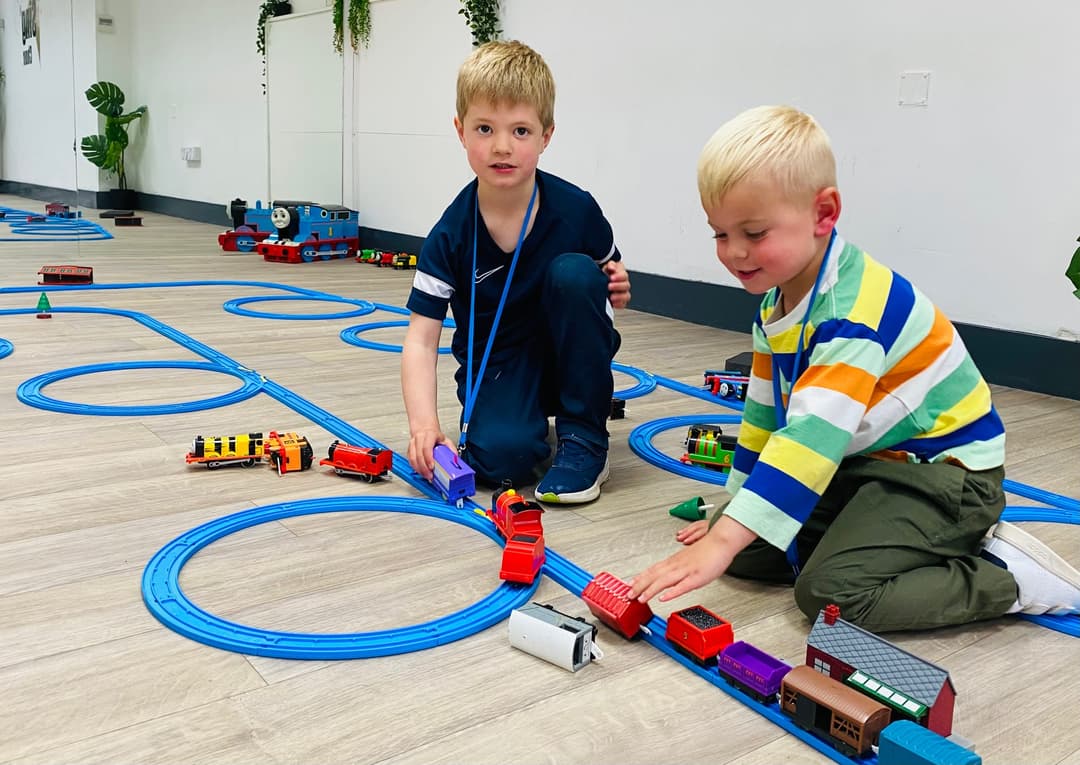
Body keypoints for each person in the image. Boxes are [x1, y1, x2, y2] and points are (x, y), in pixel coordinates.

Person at [628, 105, 1080, 632]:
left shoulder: (851, 315)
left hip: (944, 478)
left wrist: (726, 537)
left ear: (824, 214)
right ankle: (884, 540)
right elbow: (764, 419)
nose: (734, 253)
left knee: (830, 594)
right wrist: (735, 511)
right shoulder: (778, 302)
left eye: (753, 232)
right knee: (752, 549)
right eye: (720, 234)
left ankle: (1009, 579)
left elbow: (812, 439)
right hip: (869, 467)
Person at [401, 40, 631, 504]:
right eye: (484, 128)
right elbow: (420, 339)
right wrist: (424, 426)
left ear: (547, 135)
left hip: (567, 350)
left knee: (574, 274)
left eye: (521, 131)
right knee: (500, 464)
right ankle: (526, 422)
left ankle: (586, 437)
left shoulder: (576, 208)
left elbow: (610, 267)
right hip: (500, 364)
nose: (502, 147)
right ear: (460, 131)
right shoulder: (450, 233)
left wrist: (615, 284)